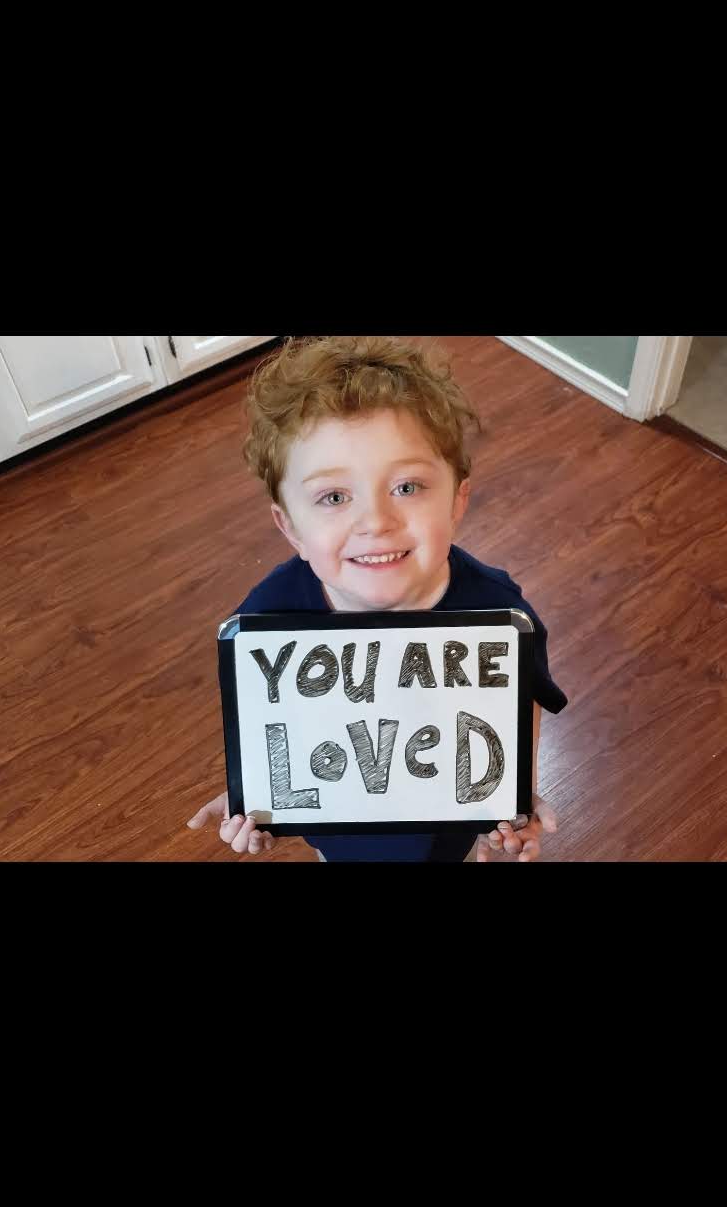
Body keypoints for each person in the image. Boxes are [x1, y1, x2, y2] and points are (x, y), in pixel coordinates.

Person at [187, 335, 567, 862]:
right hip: (340, 838)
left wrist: (513, 793)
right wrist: (256, 798)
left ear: (457, 500)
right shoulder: (265, 621)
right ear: (290, 526)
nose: (376, 522)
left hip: (448, 836)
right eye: (334, 496)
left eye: (407, 487)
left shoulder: (498, 614)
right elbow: (268, 720)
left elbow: (520, 699)